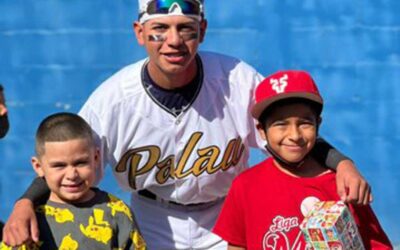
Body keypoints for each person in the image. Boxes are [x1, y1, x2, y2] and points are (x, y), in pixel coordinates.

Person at [3, 1, 371, 249]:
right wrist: (23, 203)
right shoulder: (112, 100)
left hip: (226, 214)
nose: (174, 41)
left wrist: (342, 162)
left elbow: (289, 135)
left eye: (186, 28)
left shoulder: (237, 80)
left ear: (203, 30)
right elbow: (67, 156)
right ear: (140, 33)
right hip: (151, 217)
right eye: (160, 28)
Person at [213, 70, 392, 249]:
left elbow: (376, 244)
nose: (295, 135)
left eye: (304, 123)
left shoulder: (343, 185)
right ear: (261, 130)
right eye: (280, 124)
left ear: (318, 124)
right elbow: (237, 245)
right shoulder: (245, 185)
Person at [1, 112, 146, 249]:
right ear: (38, 166)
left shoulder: (118, 212)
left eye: (80, 163)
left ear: (96, 158)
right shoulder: (28, 220)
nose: (72, 174)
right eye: (59, 166)